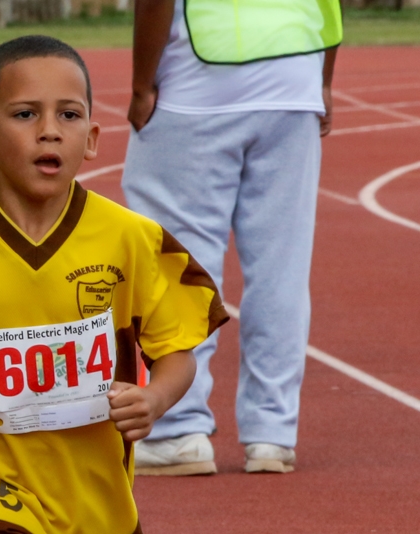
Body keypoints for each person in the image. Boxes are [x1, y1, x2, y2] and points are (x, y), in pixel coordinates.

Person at [0, 35, 227, 534]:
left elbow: (177, 350)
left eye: (69, 115)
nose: (49, 131)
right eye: (26, 114)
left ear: (92, 139)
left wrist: (156, 398)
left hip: (90, 490)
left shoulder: (133, 240)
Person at [123, 0, 341, 476]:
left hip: (197, 83)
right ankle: (272, 434)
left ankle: (177, 429)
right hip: (295, 78)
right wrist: (322, 79)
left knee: (179, 264)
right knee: (282, 268)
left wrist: (142, 86)